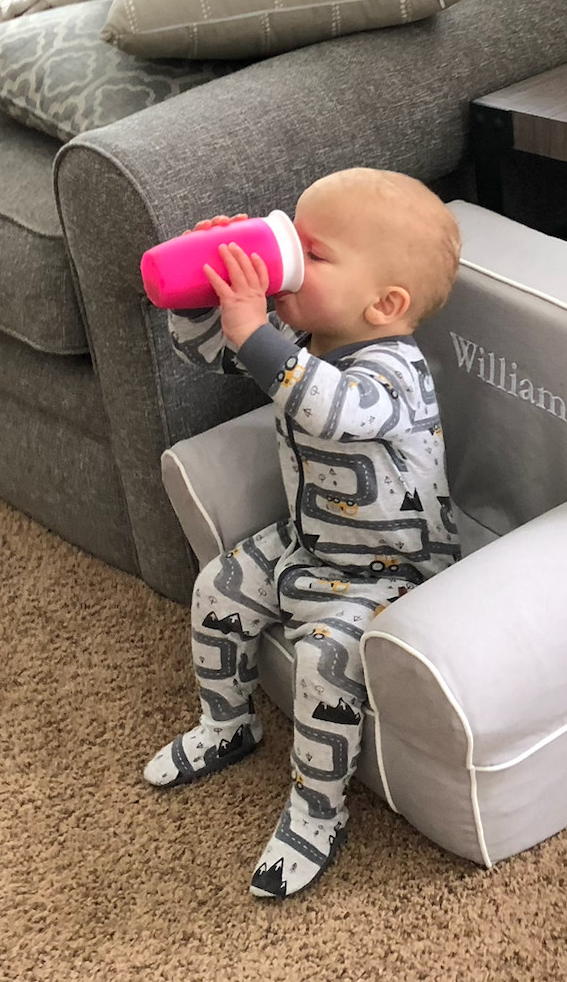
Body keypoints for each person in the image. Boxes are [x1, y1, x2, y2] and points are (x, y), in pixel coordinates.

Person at [145, 168, 462, 899]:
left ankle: (317, 813)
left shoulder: (395, 371)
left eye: (310, 255)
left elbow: (333, 410)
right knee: (217, 587)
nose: (287, 256)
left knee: (327, 665)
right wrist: (208, 290)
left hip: (392, 573)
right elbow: (213, 350)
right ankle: (228, 722)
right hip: (309, 544)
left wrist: (258, 334)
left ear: (385, 304)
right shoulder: (304, 337)